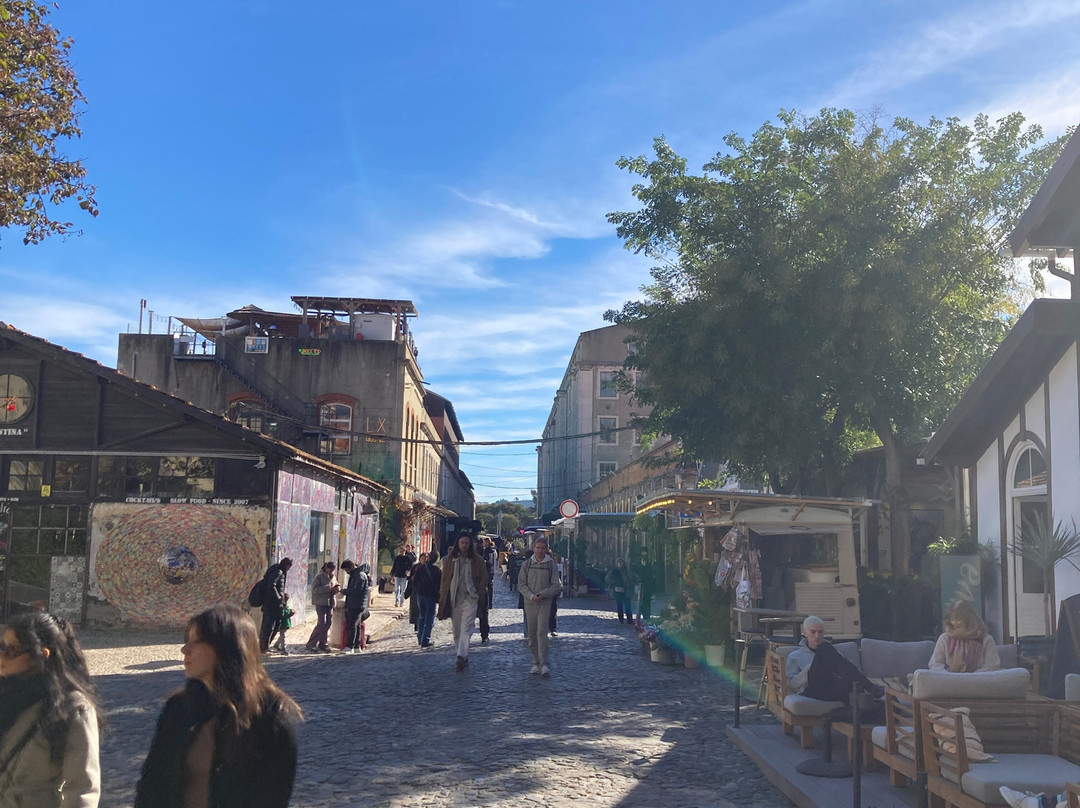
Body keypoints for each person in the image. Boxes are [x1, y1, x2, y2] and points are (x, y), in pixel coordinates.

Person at [135, 605, 302, 808]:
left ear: (227, 648)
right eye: (187, 641)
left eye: (197, 641)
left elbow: (273, 797)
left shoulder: (271, 715)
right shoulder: (178, 707)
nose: (185, 650)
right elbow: (152, 783)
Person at [0, 612, 102, 806]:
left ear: (41, 655)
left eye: (11, 651)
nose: (1, 657)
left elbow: (82, 788)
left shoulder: (72, 707)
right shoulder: (5, 692)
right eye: (1, 647)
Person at [786, 615, 879, 704]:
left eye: (820, 632)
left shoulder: (832, 653)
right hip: (812, 688)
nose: (817, 636)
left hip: (831, 686)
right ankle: (870, 687)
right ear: (805, 633)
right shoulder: (795, 656)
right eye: (813, 632)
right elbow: (791, 684)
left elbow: (847, 672)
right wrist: (812, 667)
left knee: (854, 687)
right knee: (824, 647)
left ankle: (875, 703)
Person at [438, 532, 488, 672]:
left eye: (467, 543)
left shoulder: (478, 561)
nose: (464, 545)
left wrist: (478, 594)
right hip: (455, 598)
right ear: (458, 544)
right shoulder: (450, 560)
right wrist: (443, 595)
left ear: (470, 544)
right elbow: (444, 580)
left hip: (471, 598)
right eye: (462, 543)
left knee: (466, 628)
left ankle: (461, 655)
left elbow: (483, 579)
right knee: (457, 631)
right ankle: (460, 655)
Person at [518, 535, 562, 677]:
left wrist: (543, 594)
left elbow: (556, 585)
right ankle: (535, 661)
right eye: (538, 548)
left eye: (543, 548)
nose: (540, 551)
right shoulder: (527, 564)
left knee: (542, 632)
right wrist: (531, 596)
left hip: (545, 602)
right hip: (530, 602)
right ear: (534, 548)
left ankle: (543, 663)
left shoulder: (551, 565)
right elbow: (521, 584)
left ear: (546, 549)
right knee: (531, 634)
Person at [929, 599, 1001, 672]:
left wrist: (971, 677)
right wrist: (949, 676)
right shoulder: (944, 638)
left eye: (958, 619)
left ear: (968, 619)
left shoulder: (986, 639)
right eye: (952, 619)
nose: (954, 623)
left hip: (979, 678)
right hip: (949, 678)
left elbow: (992, 665)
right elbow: (935, 664)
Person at [258, 557, 293, 653]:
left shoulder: (278, 571)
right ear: (286, 565)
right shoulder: (278, 572)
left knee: (275, 625)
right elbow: (272, 585)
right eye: (289, 567)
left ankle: (264, 646)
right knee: (270, 626)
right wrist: (278, 597)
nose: (289, 569)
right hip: (272, 604)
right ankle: (264, 647)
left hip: (274, 604)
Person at [305, 561, 340, 653]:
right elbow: (314, 590)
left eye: (333, 570)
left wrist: (337, 589)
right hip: (321, 603)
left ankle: (323, 643)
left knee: (328, 623)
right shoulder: (319, 577)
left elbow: (335, 586)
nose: (331, 572)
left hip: (330, 603)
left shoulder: (333, 577)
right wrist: (328, 588)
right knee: (321, 623)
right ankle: (311, 643)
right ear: (326, 568)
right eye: (330, 569)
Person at [340, 560, 371, 654]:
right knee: (356, 625)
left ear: (351, 567)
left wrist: (345, 592)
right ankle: (357, 646)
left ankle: (350, 646)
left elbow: (357, 590)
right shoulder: (355, 575)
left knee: (352, 625)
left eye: (347, 570)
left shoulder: (360, 576)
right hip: (354, 604)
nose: (346, 572)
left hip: (357, 604)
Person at [413, 550, 442, 648]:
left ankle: (420, 637)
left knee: (421, 616)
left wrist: (417, 590)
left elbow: (415, 581)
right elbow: (440, 585)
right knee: (429, 618)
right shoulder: (437, 570)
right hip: (430, 596)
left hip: (420, 595)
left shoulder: (420, 568)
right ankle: (425, 639)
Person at [478, 537, 498, 643]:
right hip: (483, 590)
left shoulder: (484, 560)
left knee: (482, 613)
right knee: (483, 614)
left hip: (479, 590)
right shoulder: (493, 552)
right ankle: (484, 635)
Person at [607, 557, 633, 623]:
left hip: (626, 590)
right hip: (618, 591)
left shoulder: (627, 571)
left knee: (628, 606)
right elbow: (607, 578)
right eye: (619, 563)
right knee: (620, 606)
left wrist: (630, 583)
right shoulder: (614, 571)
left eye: (621, 562)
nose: (620, 564)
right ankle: (621, 619)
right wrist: (614, 582)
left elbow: (631, 578)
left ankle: (629, 619)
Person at [633, 549, 655, 622]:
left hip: (647, 588)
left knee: (646, 602)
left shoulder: (649, 567)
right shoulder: (638, 566)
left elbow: (650, 577)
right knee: (641, 602)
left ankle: (646, 616)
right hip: (641, 587)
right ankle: (643, 616)